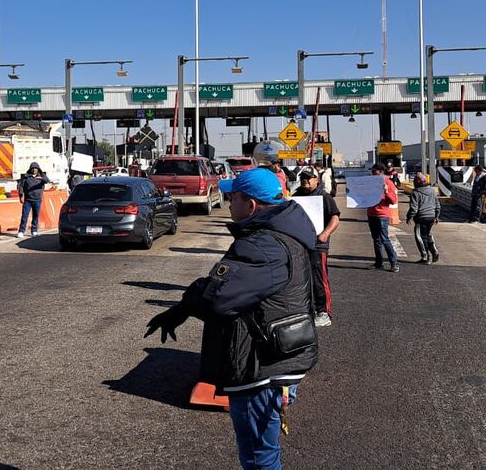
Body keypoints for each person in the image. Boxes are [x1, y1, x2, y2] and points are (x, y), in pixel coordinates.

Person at [145, 168, 318, 470]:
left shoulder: (261, 245)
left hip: (259, 363)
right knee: (265, 448)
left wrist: (184, 306)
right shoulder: (285, 232)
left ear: (250, 205)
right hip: (279, 350)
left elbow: (219, 298)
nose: (228, 201)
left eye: (232, 196)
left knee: (257, 456)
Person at [296, 170, 340, 327]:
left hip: (318, 245)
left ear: (316, 180)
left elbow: (335, 217)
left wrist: (325, 234)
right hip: (301, 243)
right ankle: (307, 309)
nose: (305, 180)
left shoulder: (324, 196)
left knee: (319, 279)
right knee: (302, 278)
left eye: (308, 178)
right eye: (302, 178)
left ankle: (324, 312)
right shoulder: (297, 195)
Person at [367, 163, 399, 272]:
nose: (372, 173)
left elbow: (393, 200)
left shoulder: (388, 182)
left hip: (382, 215)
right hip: (371, 214)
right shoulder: (371, 182)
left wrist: (386, 191)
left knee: (384, 239)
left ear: (380, 171)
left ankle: (394, 263)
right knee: (376, 239)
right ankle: (378, 263)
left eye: (374, 171)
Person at [405, 173, 441, 264]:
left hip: (421, 217)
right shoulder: (432, 191)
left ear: (417, 181)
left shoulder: (415, 192)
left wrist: (409, 217)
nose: (413, 182)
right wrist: (436, 216)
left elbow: (414, 207)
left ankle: (425, 257)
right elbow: (437, 205)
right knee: (427, 234)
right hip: (431, 216)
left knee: (420, 237)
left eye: (414, 180)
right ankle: (434, 251)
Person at [17, 162, 49, 238]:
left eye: (36, 168)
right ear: (30, 169)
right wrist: (21, 195)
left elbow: (47, 180)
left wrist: (42, 178)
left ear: (38, 169)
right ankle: (21, 231)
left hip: (37, 200)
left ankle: (34, 230)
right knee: (24, 216)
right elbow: (21, 186)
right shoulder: (26, 177)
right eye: (33, 168)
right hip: (28, 200)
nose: (34, 170)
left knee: (36, 216)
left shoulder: (42, 176)